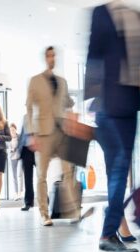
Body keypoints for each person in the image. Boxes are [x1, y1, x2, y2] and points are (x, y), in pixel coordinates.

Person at [84, 1, 140, 252]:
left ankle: (112, 226)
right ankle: (108, 231)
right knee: (118, 168)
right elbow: (93, 57)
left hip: (130, 104)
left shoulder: (137, 15)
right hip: (108, 104)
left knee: (121, 168)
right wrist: (90, 102)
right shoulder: (102, 13)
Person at [26, 46, 79, 226]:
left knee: (68, 170)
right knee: (42, 175)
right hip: (43, 133)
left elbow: (68, 102)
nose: (52, 58)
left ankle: (74, 210)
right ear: (45, 58)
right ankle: (44, 213)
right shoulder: (35, 81)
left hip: (61, 132)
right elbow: (28, 107)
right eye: (49, 55)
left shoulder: (62, 82)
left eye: (54, 55)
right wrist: (31, 134)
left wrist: (72, 114)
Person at [17, 115, 36, 211]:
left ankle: (45, 201)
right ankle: (28, 202)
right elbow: (22, 135)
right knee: (28, 179)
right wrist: (19, 150)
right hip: (26, 150)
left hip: (38, 149)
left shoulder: (41, 115)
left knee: (42, 177)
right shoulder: (25, 117)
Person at [9, 123, 23, 201]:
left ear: (15, 129)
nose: (12, 131)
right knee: (14, 176)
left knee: (19, 174)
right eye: (11, 130)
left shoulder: (19, 137)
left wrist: (16, 149)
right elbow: (7, 148)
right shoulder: (8, 138)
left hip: (19, 157)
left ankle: (20, 192)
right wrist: (11, 150)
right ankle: (16, 192)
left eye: (13, 130)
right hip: (12, 158)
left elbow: (21, 146)